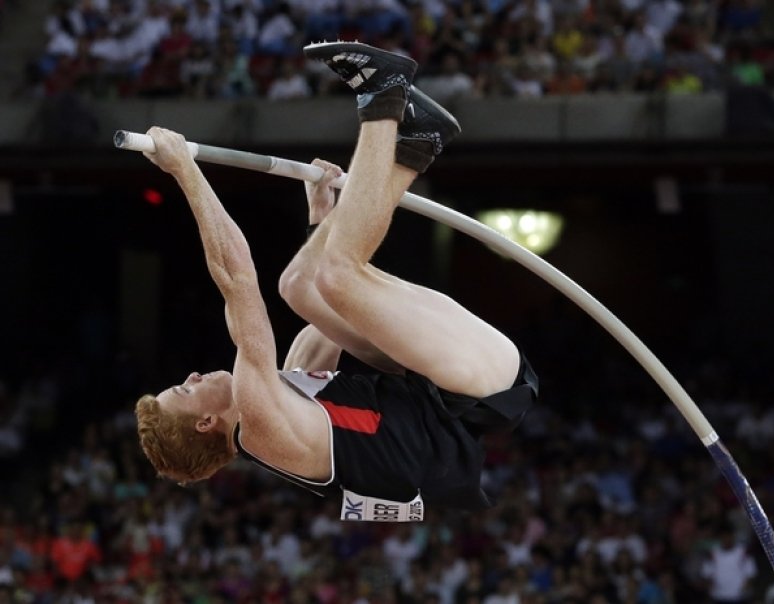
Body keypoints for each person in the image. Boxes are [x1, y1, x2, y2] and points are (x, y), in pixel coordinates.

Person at [135, 41, 539, 521]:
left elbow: (325, 324)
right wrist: (186, 171)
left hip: (450, 388)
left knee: (299, 286)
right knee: (336, 276)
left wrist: (321, 220)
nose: (192, 376)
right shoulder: (261, 422)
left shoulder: (284, 403)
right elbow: (236, 276)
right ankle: (383, 94)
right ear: (206, 423)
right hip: (477, 389)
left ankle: (415, 145)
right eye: (184, 389)